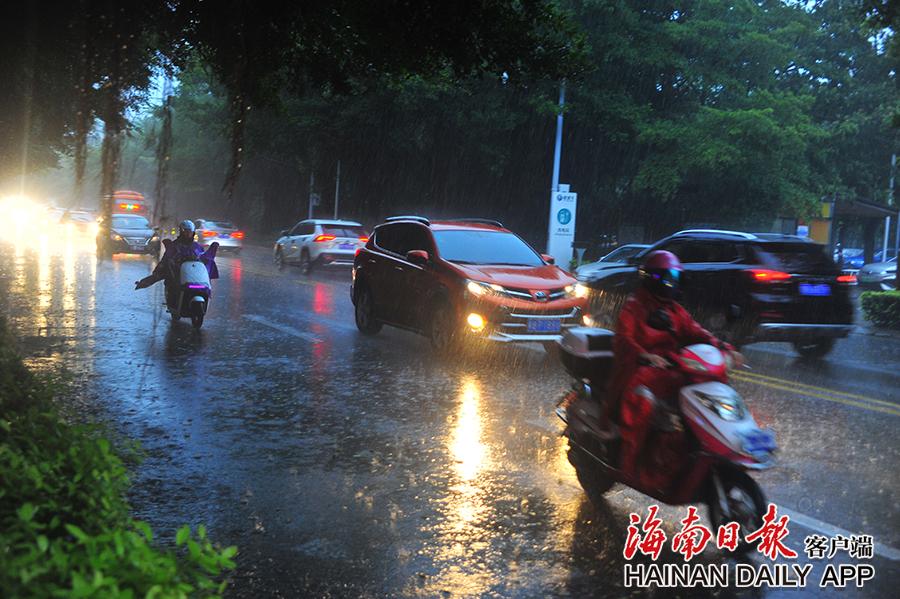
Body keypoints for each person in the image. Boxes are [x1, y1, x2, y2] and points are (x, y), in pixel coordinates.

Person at [609, 250, 743, 491]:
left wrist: (723, 346)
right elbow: (623, 339)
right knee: (644, 403)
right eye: (664, 278)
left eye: (672, 278)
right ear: (650, 279)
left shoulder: (674, 309)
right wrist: (645, 355)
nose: (669, 283)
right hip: (640, 369)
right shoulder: (634, 307)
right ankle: (628, 464)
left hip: (672, 366)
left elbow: (696, 331)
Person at [134, 220, 219, 307]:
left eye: (189, 232)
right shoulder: (175, 245)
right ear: (181, 232)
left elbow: (203, 258)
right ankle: (173, 301)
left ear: (193, 232)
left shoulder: (197, 247)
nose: (187, 234)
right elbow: (166, 260)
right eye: (185, 232)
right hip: (178, 275)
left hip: (193, 275)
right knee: (168, 279)